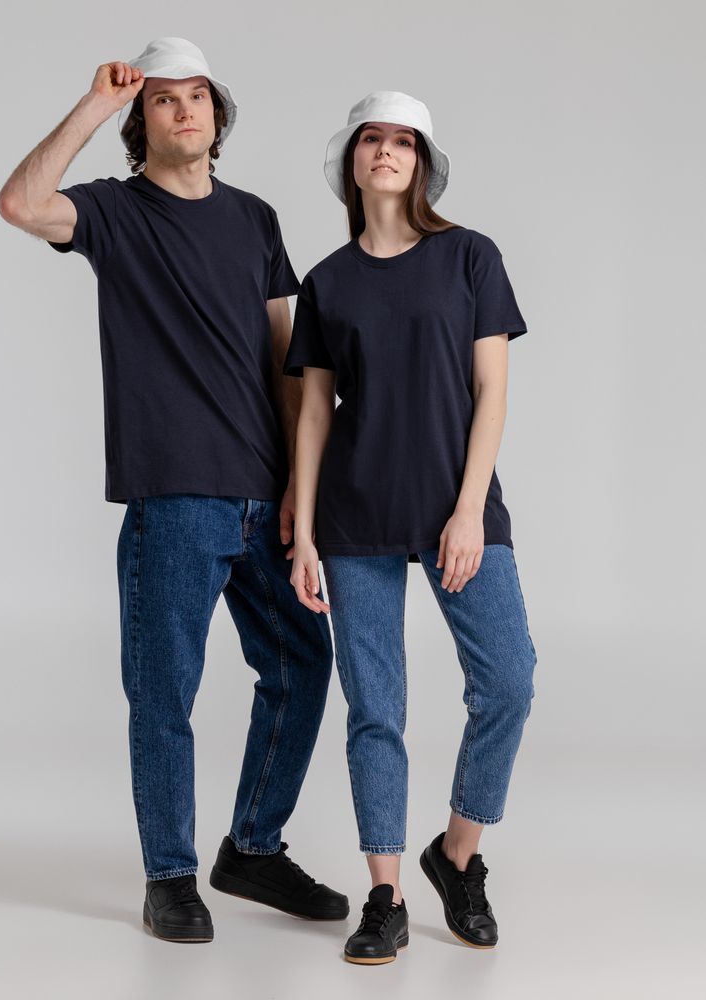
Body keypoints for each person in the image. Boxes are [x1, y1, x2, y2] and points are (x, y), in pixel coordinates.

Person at [0, 36, 348, 944]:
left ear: (217, 115)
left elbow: (286, 359)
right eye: (163, 98)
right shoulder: (114, 212)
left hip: (265, 497)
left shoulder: (256, 218)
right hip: (175, 498)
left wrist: (301, 495)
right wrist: (94, 103)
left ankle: (253, 850)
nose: (184, 109)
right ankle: (170, 876)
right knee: (164, 695)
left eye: (197, 95)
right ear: (141, 121)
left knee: (304, 666)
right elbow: (20, 203)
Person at [284, 90, 537, 964]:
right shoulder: (327, 281)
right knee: (375, 709)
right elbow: (314, 413)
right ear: (352, 160)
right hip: (353, 515)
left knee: (508, 680)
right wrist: (304, 533)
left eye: (403, 140)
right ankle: (384, 893)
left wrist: (468, 509)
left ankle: (455, 856)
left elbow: (491, 391)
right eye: (372, 139)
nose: (387, 151)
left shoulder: (470, 256)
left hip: (454, 508)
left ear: (422, 161)